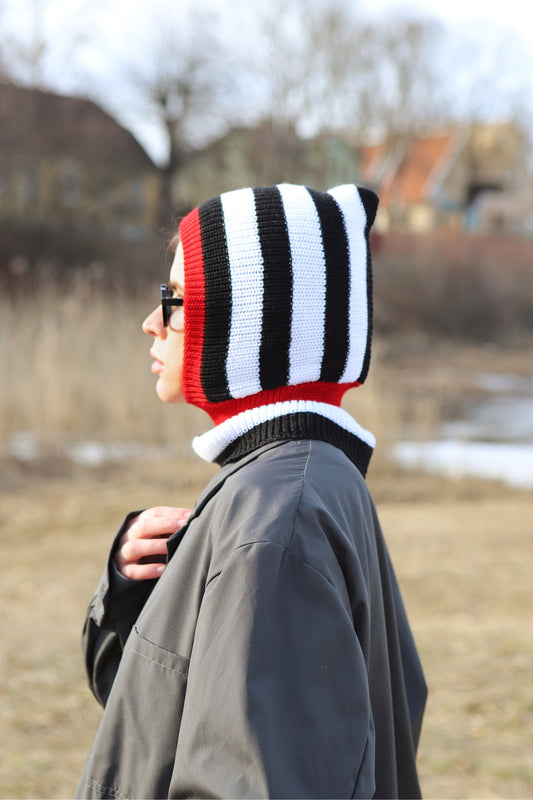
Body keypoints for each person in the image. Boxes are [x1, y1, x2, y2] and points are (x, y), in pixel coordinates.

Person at [76, 183, 427, 799]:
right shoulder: (308, 479)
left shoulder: (274, 519)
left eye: (175, 299)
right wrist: (137, 601)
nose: (152, 322)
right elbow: (182, 729)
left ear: (245, 320)